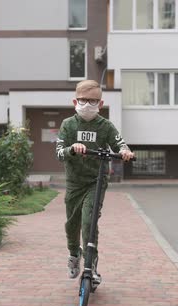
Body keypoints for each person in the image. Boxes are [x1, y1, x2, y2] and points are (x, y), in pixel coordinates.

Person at [55, 80, 134, 285]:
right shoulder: (68, 125)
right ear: (75, 101)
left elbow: (119, 142)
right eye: (83, 100)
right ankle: (74, 255)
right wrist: (73, 148)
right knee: (72, 224)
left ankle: (92, 267)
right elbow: (59, 153)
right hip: (74, 182)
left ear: (100, 104)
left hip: (96, 181)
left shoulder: (105, 126)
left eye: (93, 101)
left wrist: (124, 151)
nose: (88, 105)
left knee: (89, 222)